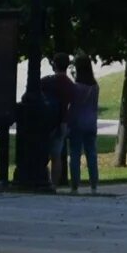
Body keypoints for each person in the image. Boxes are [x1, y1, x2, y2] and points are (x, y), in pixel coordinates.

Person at [64, 57, 102, 193]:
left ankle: (75, 185)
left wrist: (68, 123)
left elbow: (73, 107)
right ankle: (94, 184)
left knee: (75, 154)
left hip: (77, 123)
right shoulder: (95, 87)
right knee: (91, 154)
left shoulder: (76, 87)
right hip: (91, 123)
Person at [39, 58, 76, 187]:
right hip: (62, 122)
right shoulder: (69, 85)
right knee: (57, 157)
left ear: (54, 65)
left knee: (42, 153)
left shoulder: (46, 81)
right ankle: (54, 184)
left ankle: (42, 179)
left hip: (46, 122)